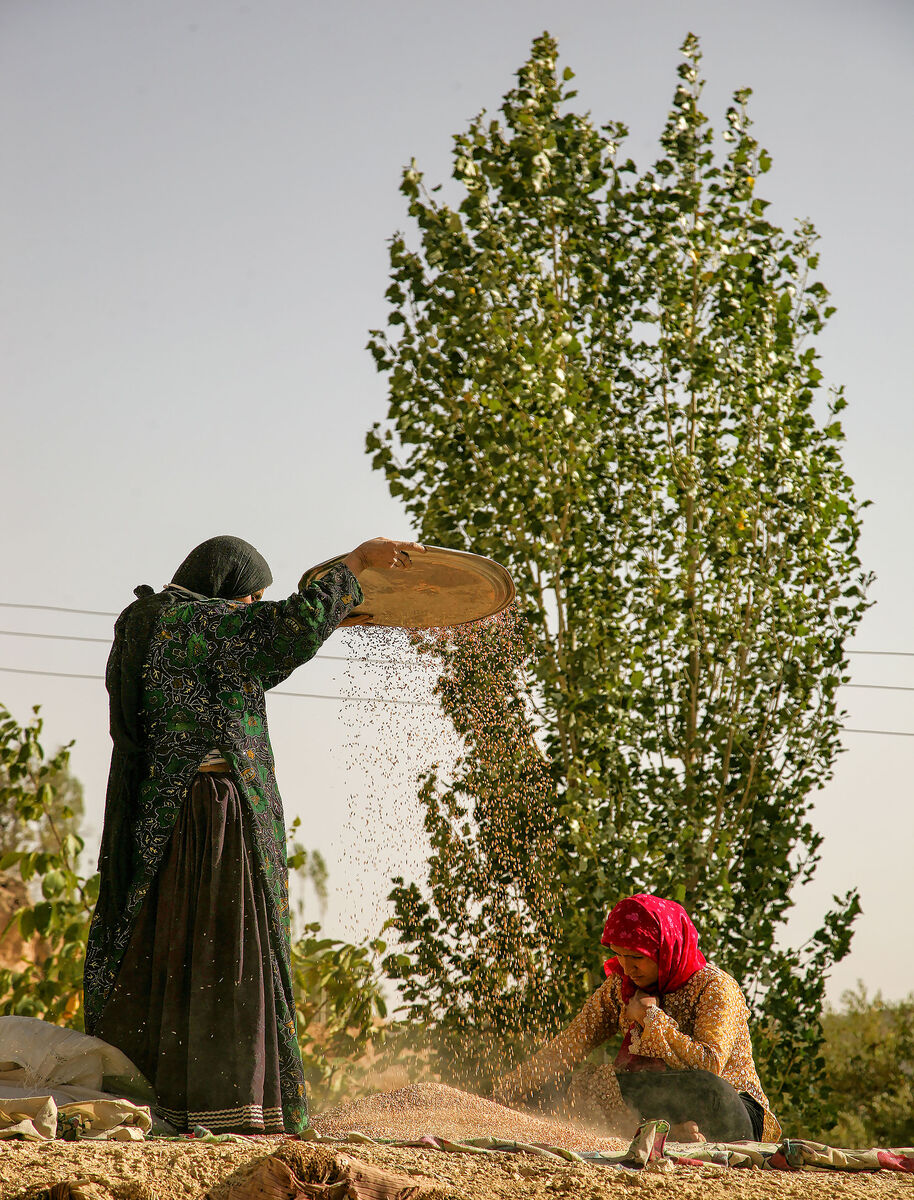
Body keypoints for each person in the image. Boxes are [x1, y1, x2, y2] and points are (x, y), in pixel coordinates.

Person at [83, 534, 423, 1135]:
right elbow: (287, 629)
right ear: (226, 588)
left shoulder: (143, 622)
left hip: (156, 816)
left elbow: (251, 653)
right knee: (227, 948)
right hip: (214, 815)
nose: (252, 608)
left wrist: (331, 615)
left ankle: (148, 1095)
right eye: (252, 597)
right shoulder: (216, 626)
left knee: (161, 945)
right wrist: (357, 564)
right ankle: (228, 1105)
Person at [493, 894, 780, 1143]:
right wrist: (504, 1093)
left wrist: (649, 1017)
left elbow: (710, 1064)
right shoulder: (620, 987)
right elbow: (570, 1046)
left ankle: (658, 1129)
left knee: (708, 1088)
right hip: (652, 1097)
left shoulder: (714, 986)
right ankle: (666, 1131)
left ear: (664, 948)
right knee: (553, 1090)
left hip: (729, 1109)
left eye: (637, 957)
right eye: (619, 956)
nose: (627, 967)